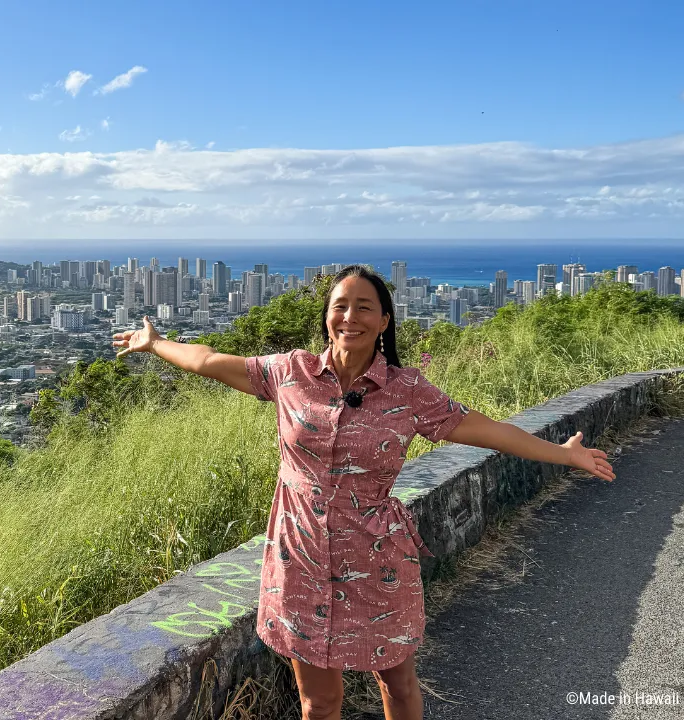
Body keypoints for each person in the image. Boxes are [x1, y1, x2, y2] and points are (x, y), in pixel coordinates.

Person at [112, 264, 615, 720]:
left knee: (396, 681)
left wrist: (562, 454)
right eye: (340, 306)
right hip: (300, 555)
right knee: (319, 702)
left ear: (384, 321)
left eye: (364, 307)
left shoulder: (408, 392)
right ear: (327, 317)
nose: (350, 316)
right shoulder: (291, 372)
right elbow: (209, 360)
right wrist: (156, 343)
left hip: (376, 556)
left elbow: (485, 429)